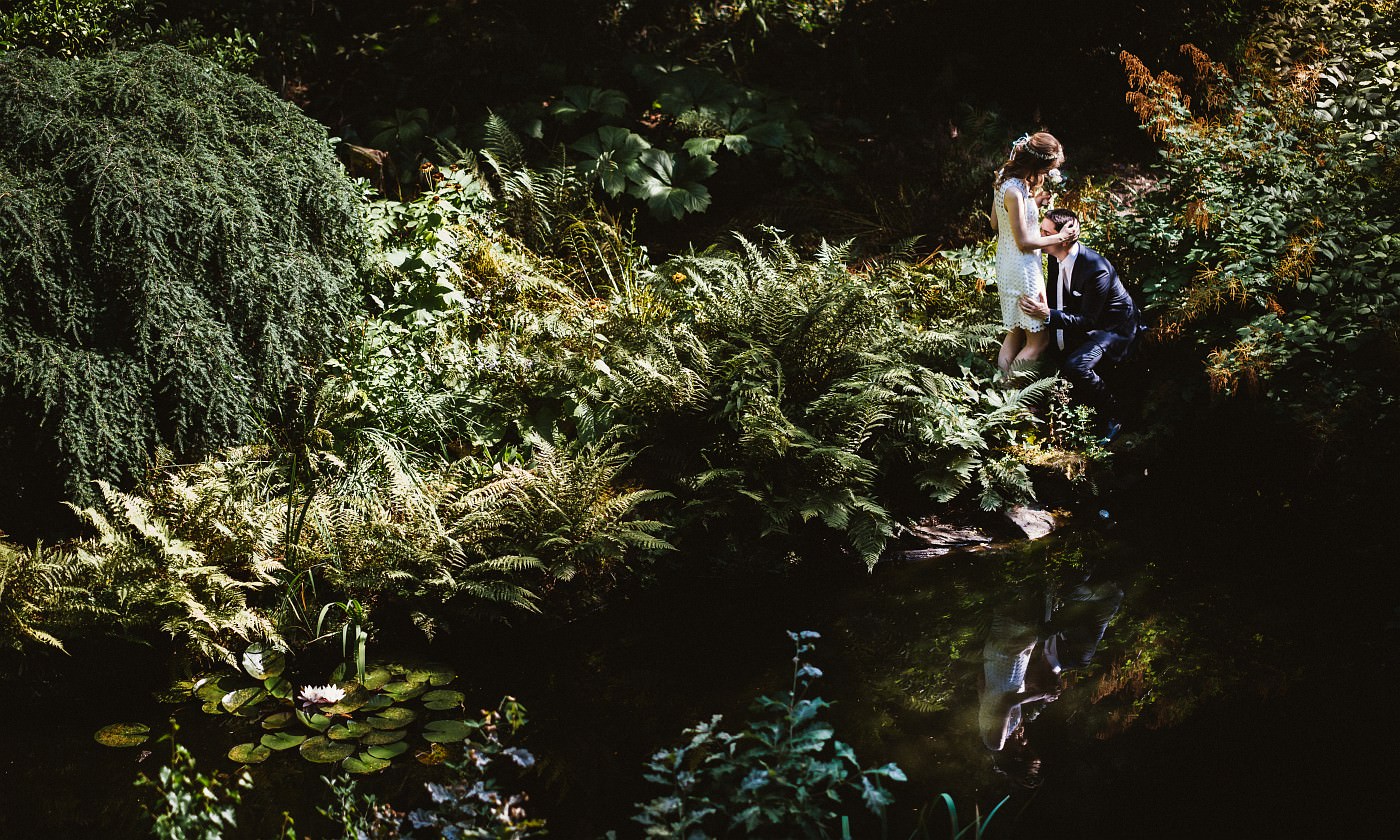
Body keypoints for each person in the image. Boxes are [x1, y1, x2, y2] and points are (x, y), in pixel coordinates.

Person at [1018, 208, 1140, 441]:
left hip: (1114, 328)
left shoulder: (1096, 269)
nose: (1041, 237)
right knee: (1053, 350)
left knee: (1076, 365)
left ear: (1063, 239)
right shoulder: (1055, 258)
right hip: (1085, 322)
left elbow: (1088, 321)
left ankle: (1116, 414)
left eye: (1046, 232)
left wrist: (1047, 315)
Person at [991, 132, 1078, 375]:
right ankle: (1009, 394)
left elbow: (995, 224)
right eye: (1048, 168)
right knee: (1039, 341)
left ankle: (1000, 395)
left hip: (1008, 263)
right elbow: (1024, 241)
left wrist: (1034, 204)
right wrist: (1059, 238)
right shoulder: (1015, 192)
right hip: (1023, 268)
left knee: (1015, 332)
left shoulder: (1004, 180)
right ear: (1038, 165)